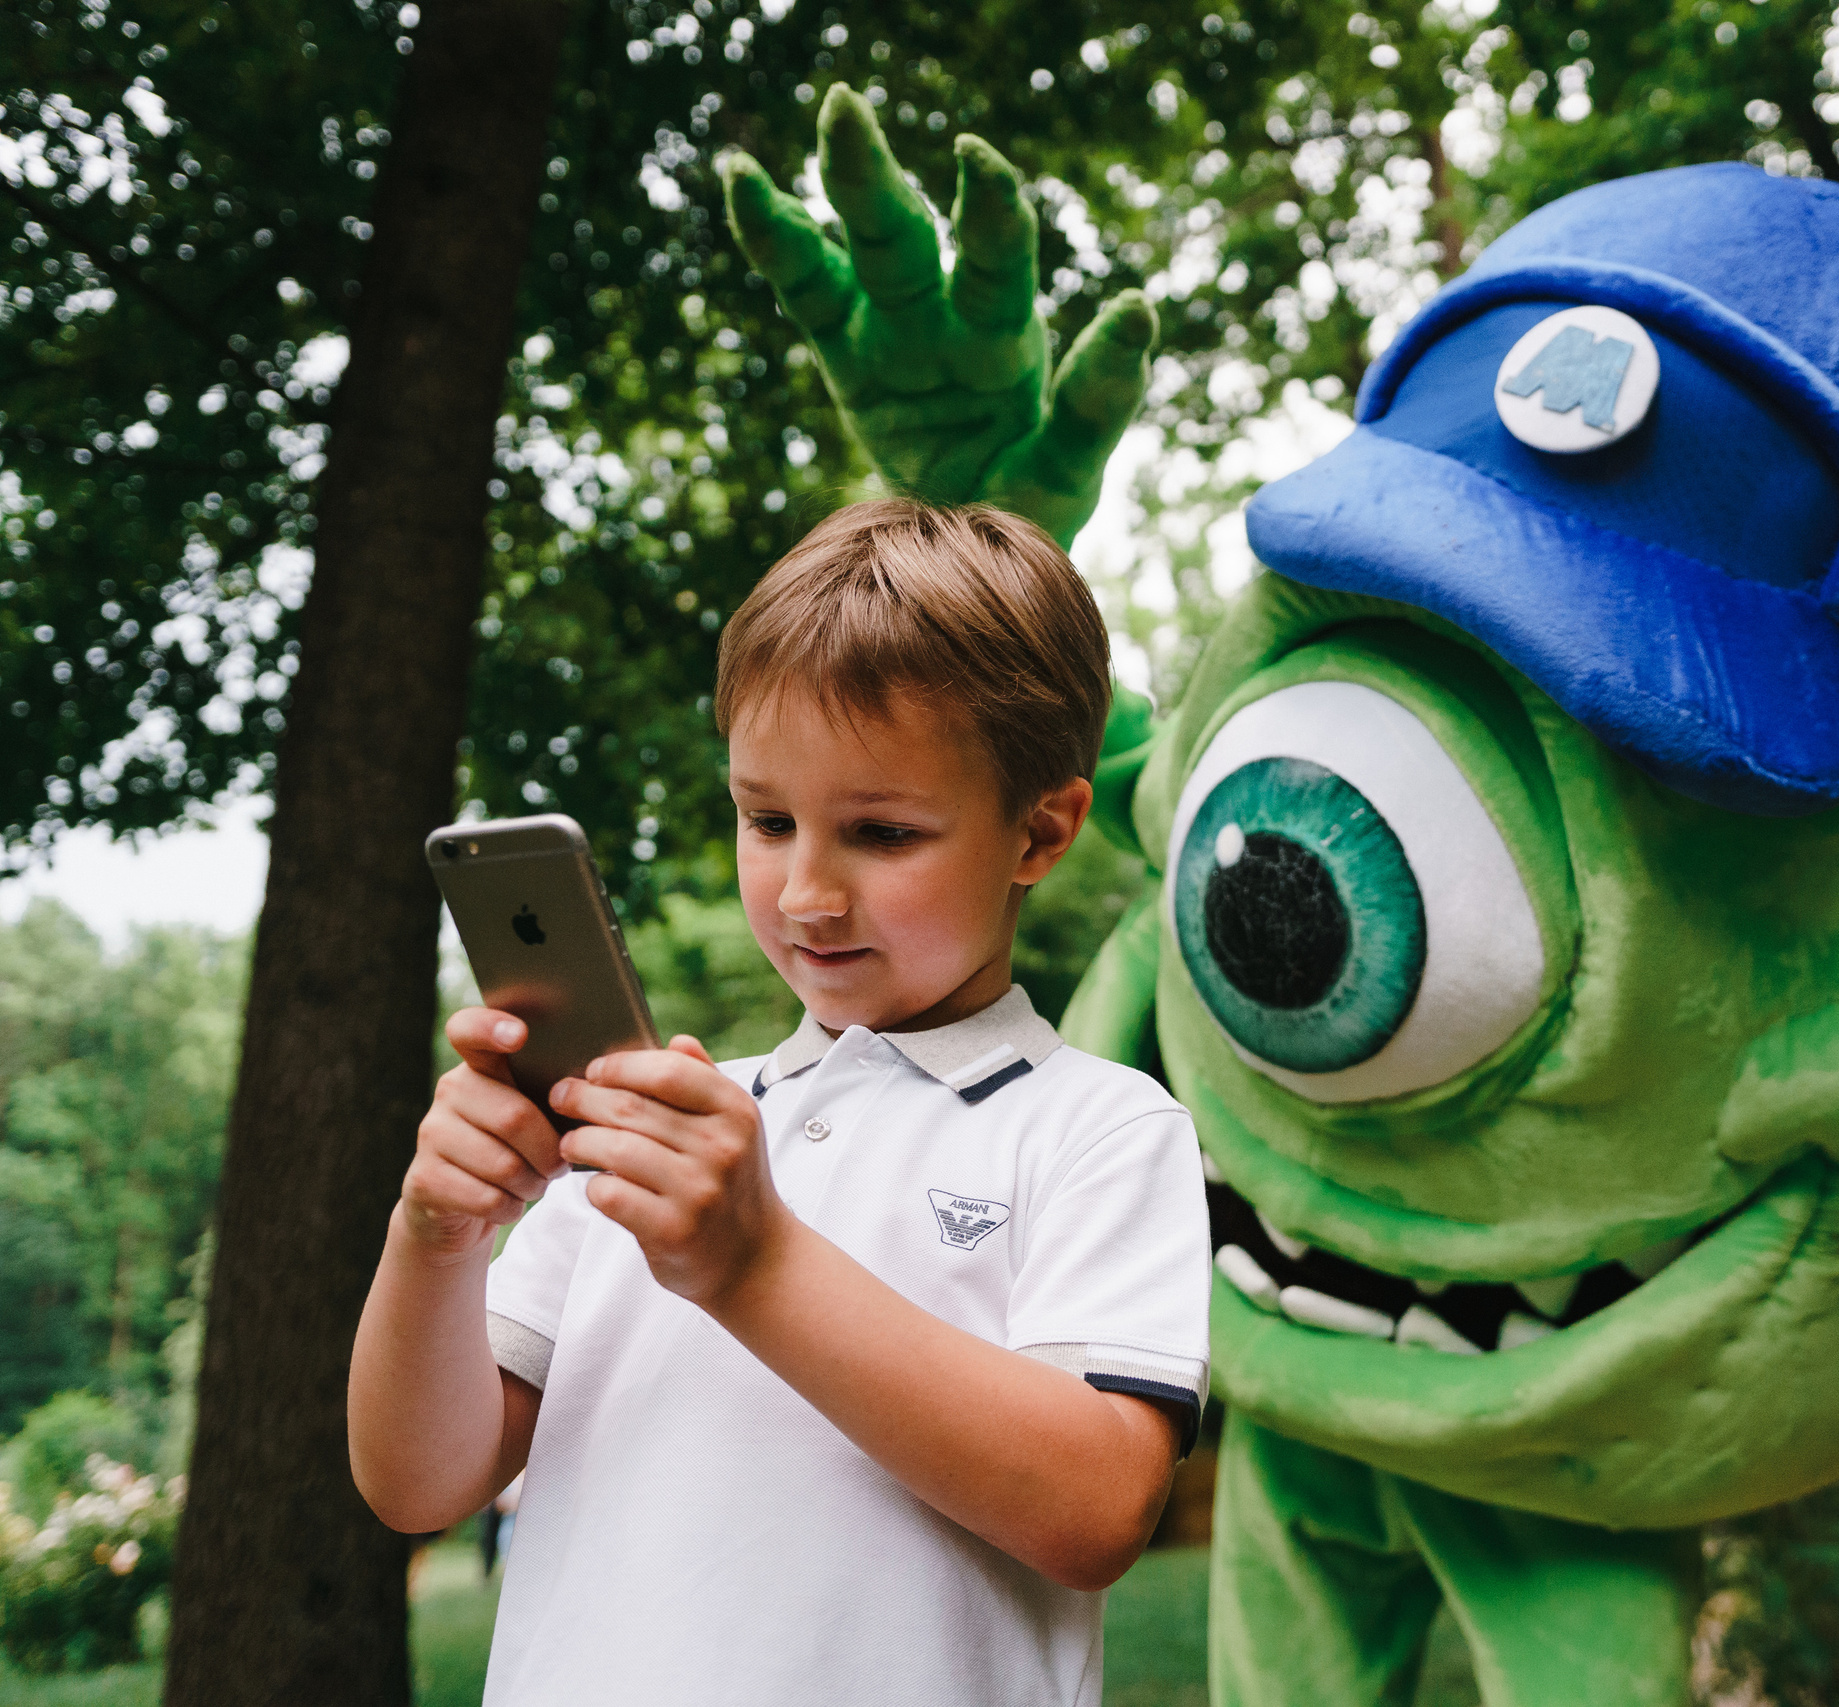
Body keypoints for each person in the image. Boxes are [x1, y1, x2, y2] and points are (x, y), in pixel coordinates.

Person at [349, 500, 1211, 1705]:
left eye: (881, 831)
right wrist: (436, 1235)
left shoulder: (1097, 1128)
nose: (807, 892)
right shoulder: (648, 1135)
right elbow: (416, 1485)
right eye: (768, 819)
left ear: (1040, 831)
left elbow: (1098, 1508)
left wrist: (753, 1263)